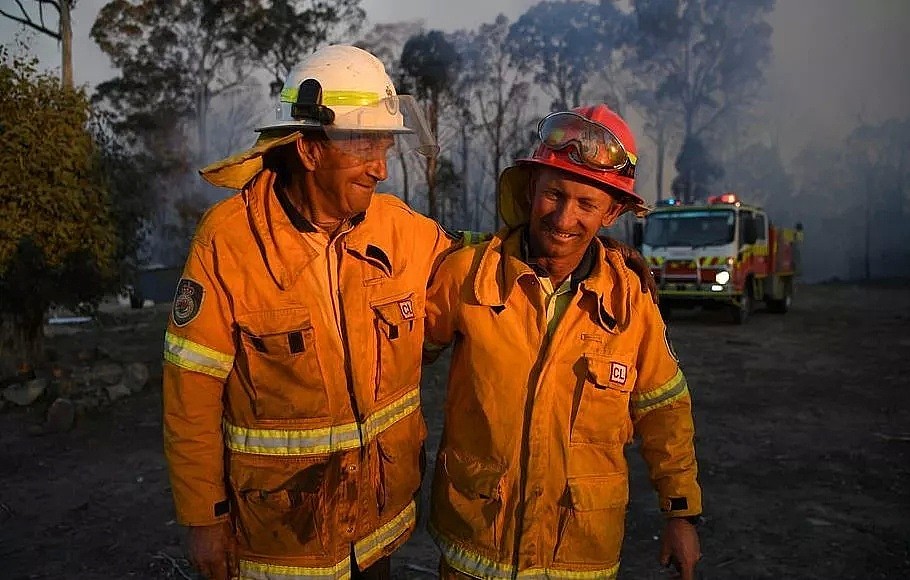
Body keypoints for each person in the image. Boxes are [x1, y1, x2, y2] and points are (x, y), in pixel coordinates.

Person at [162, 46, 655, 580]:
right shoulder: (229, 243)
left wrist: (589, 253)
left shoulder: (400, 230)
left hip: (374, 533)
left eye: (384, 146)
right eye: (365, 146)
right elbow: (190, 396)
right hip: (278, 541)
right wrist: (204, 520)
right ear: (309, 149)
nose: (380, 167)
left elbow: (482, 257)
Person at [424, 104, 702, 580]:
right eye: (553, 193)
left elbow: (664, 411)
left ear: (612, 212)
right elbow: (392, 364)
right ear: (531, 189)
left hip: (578, 554)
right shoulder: (468, 276)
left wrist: (680, 514)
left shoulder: (631, 303)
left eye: (587, 205)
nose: (563, 217)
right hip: (477, 551)